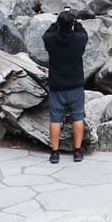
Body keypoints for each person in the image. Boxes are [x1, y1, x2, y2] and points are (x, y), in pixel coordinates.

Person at [42, 8, 87, 163]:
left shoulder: (51, 40)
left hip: (57, 85)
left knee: (55, 120)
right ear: (72, 24)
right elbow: (83, 33)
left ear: (59, 24)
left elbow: (46, 34)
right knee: (78, 118)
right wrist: (76, 22)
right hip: (75, 84)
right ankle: (77, 151)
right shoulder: (79, 40)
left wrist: (57, 23)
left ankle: (55, 153)